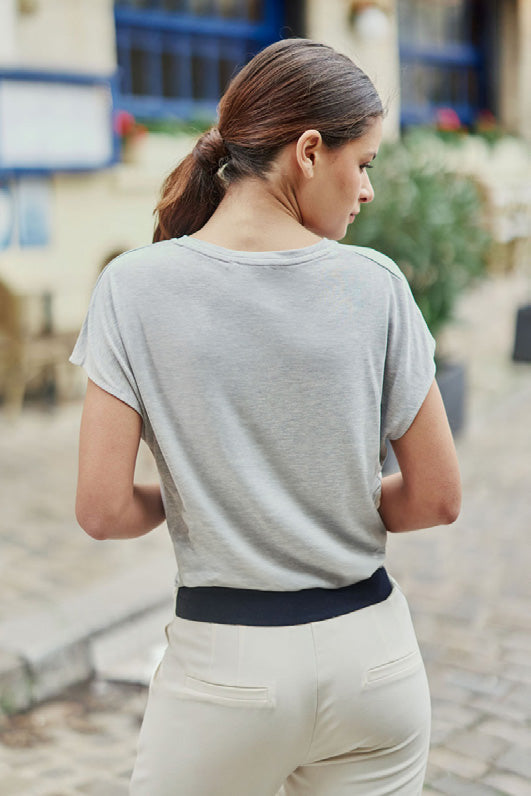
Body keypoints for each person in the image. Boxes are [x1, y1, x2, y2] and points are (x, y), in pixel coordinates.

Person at [70, 38, 461, 796]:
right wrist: (330, 495)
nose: (368, 190)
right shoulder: (374, 285)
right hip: (373, 664)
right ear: (308, 152)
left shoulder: (132, 287)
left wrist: (202, 492)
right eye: (364, 163)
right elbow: (438, 499)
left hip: (225, 673)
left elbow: (102, 511)